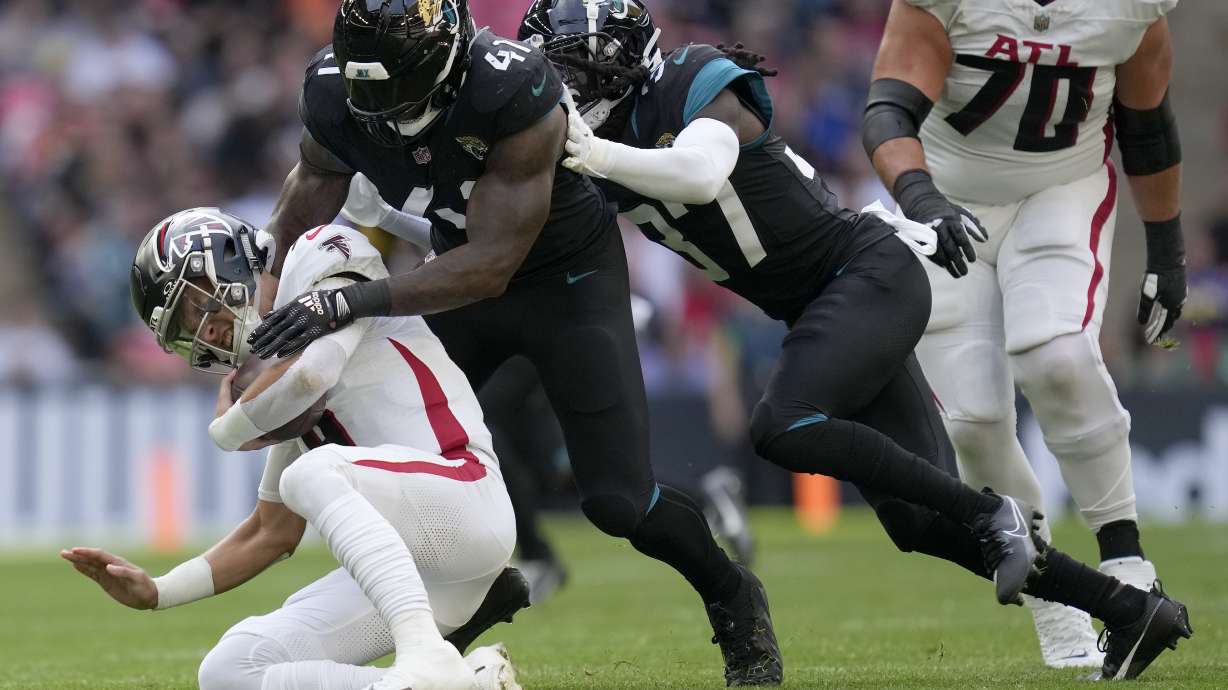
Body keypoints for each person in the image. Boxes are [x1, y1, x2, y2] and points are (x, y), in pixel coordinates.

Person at [522, 0, 1191, 680]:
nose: (566, 90)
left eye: (578, 71)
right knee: (920, 524)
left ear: (627, 63)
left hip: (864, 273)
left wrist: (595, 153)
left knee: (781, 424)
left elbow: (699, 174)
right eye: (555, 72)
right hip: (829, 305)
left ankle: (993, 511)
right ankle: (1129, 610)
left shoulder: (693, 79)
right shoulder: (597, 149)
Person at [243, 1, 781, 685]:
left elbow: (493, 263)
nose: (382, 105)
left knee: (619, 500)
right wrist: (265, 294)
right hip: (456, 273)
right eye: (367, 88)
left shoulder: (512, 86)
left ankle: (733, 594)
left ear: (447, 57)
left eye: (399, 81)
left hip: (563, 282)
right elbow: (313, 184)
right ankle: (476, 589)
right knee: (372, 440)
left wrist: (347, 300)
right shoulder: (331, 90)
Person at [63, 208, 525, 690]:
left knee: (310, 473)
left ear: (227, 261)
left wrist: (226, 432)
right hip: (416, 575)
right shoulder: (277, 374)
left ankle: (425, 654)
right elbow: (271, 532)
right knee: (228, 670)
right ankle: (461, 682)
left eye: (195, 307)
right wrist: (158, 591)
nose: (206, 334)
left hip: (468, 501)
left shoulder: (317, 255)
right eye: (182, 328)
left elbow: (313, 373)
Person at [863, 0, 1185, 667]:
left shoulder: (1129, 9)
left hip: (1060, 188)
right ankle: (1058, 605)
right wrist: (923, 200)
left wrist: (1167, 249)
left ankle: (1128, 567)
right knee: (974, 421)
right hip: (946, 198)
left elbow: (1147, 123)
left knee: (1057, 355)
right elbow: (888, 111)